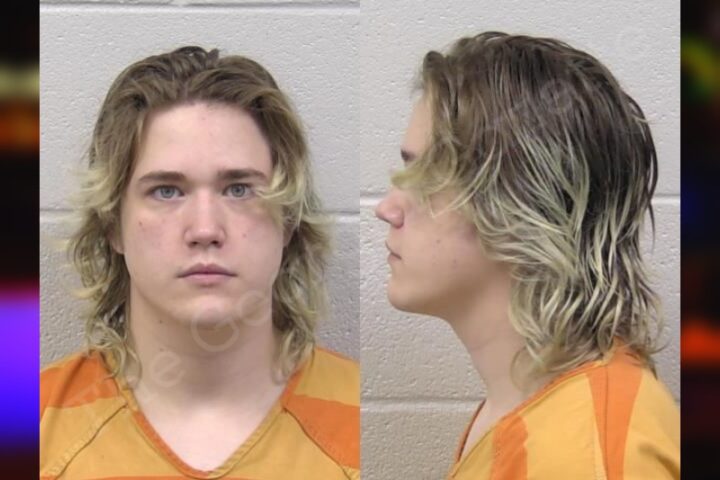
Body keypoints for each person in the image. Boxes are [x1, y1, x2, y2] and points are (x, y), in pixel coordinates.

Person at [40, 46, 359, 480]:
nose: (206, 229)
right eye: (167, 191)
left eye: (239, 189)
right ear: (113, 222)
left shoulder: (358, 420)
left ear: (288, 219)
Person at [375, 32, 679, 479]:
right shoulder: (529, 405)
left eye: (427, 178)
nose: (387, 209)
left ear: (519, 206)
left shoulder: (585, 457)